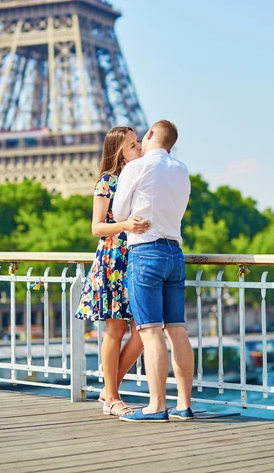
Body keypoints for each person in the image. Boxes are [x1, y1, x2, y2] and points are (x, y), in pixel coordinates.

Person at [113, 120, 194, 422]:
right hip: (175, 252)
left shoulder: (135, 168)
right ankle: (184, 405)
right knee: (177, 329)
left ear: (148, 136)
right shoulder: (181, 169)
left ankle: (156, 405)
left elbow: (120, 213)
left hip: (146, 252)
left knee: (150, 333)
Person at [75, 126, 150, 417]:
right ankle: (112, 397)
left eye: (138, 144)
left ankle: (109, 390)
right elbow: (96, 227)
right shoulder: (108, 181)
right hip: (113, 260)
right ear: (118, 151)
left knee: (144, 331)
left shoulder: (138, 177)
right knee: (115, 329)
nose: (139, 149)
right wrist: (126, 225)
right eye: (133, 146)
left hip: (136, 257)